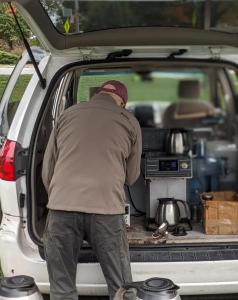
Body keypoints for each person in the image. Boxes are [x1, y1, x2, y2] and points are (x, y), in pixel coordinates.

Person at [42, 80, 142, 300]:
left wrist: (61, 197)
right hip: (106, 210)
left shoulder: (67, 115)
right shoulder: (128, 120)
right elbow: (132, 176)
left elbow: (47, 168)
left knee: (61, 285)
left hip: (62, 207)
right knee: (121, 286)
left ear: (97, 94)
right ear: (122, 103)